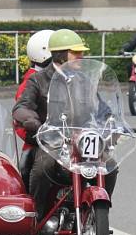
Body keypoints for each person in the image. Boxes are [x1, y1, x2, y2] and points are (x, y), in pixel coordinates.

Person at [13, 29, 118, 222]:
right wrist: (32, 121)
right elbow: (22, 107)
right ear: (61, 54)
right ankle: (37, 215)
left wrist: (112, 123)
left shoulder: (84, 81)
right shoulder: (38, 79)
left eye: (81, 52)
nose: (82, 56)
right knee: (44, 164)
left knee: (109, 164)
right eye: (76, 52)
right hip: (51, 141)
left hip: (81, 140)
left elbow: (101, 108)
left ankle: (98, 213)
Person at [15, 30, 53, 189]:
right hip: (38, 140)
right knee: (27, 171)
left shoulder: (61, 76)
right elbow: (20, 117)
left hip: (66, 139)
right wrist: (37, 133)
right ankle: (36, 210)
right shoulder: (31, 82)